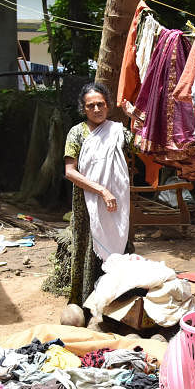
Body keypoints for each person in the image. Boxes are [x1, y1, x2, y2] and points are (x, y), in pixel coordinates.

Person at [63, 82, 135, 305]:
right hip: (87, 202)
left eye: (100, 104)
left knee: (119, 245)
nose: (96, 109)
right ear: (83, 108)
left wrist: (134, 117)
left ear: (108, 105)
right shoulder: (77, 133)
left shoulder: (117, 131)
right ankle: (86, 302)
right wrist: (102, 191)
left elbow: (141, 146)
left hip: (117, 203)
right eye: (91, 105)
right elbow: (70, 172)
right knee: (88, 247)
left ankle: (118, 301)